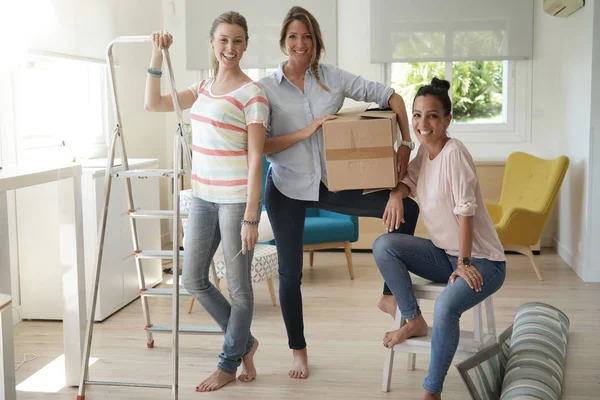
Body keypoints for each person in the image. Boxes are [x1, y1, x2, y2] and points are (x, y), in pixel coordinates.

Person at [258, 6, 419, 379]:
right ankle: (298, 349)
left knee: (406, 210)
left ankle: (389, 294)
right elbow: (263, 147)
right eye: (293, 37)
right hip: (285, 188)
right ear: (284, 41)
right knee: (289, 274)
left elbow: (391, 96)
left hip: (328, 186)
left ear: (316, 41)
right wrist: (307, 130)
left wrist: (405, 143)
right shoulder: (265, 88)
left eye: (307, 36)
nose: (300, 44)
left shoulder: (332, 78)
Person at [144, 11, 269, 392]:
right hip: (201, 198)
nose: (230, 48)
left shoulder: (253, 95)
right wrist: (155, 53)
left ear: (245, 45)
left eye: (237, 41)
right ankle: (245, 342)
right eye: (223, 40)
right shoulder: (201, 88)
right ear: (212, 44)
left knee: (240, 288)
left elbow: (255, 159)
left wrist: (251, 215)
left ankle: (229, 362)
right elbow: (153, 104)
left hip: (234, 202)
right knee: (193, 278)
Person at [372, 78, 507, 400]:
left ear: (447, 120)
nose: (422, 123)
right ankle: (414, 319)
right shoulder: (424, 151)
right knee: (384, 246)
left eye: (432, 115)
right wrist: (396, 194)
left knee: (447, 307)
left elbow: (466, 211)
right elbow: (409, 178)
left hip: (483, 261)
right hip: (443, 254)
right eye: (417, 115)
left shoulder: (454, 153)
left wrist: (463, 262)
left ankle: (432, 391)